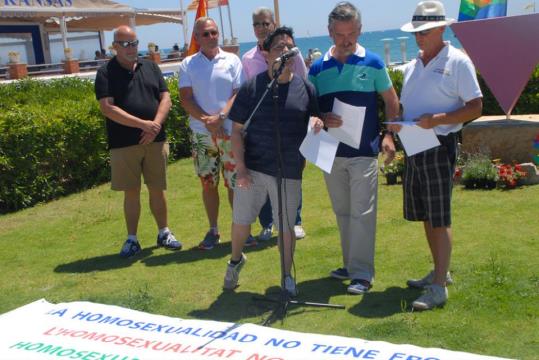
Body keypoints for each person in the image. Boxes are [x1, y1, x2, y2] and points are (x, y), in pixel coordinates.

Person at [390, 0, 483, 310]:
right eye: (417, 32)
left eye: (426, 31)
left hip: (440, 145)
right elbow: (408, 107)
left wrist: (438, 119)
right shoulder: (414, 65)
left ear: (442, 29)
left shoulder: (458, 61)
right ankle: (438, 271)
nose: (420, 37)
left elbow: (475, 106)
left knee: (438, 217)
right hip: (416, 145)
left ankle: (439, 285)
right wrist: (399, 126)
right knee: (426, 215)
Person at [223, 26, 323, 295]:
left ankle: (287, 276)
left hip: (289, 170)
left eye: (290, 46)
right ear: (266, 54)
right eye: (279, 47)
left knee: (286, 227)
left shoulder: (306, 88)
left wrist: (317, 123)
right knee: (242, 221)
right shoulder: (251, 88)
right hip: (253, 169)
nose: (286, 52)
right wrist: (241, 169)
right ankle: (234, 261)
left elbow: (314, 120)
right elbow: (235, 131)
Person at [308, 2, 400, 294]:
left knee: (362, 212)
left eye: (352, 34)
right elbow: (305, 108)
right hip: (329, 151)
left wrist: (389, 135)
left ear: (359, 30)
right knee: (343, 212)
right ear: (329, 32)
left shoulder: (373, 62)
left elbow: (392, 100)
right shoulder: (317, 67)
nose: (346, 40)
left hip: (363, 151)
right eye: (340, 34)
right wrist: (321, 117)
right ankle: (350, 265)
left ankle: (362, 274)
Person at [94, 25, 181, 258]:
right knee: (131, 192)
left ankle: (164, 232)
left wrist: (155, 125)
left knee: (157, 188)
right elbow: (108, 108)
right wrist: (144, 125)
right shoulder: (106, 72)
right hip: (124, 143)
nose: (131, 48)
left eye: (134, 43)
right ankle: (132, 240)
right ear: (115, 46)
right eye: (125, 44)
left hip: (155, 140)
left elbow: (165, 98)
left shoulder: (151, 66)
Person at [242, 6, 309, 242]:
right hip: (261, 130)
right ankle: (267, 223)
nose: (262, 28)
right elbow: (247, 92)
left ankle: (295, 220)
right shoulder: (248, 58)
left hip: (290, 124)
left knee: (291, 173)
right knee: (262, 174)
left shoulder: (293, 53)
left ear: (274, 24)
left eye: (266, 23)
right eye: (257, 24)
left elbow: (302, 81)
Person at [179, 17, 244, 250]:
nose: (211, 37)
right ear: (196, 38)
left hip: (229, 133)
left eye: (214, 32)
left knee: (235, 183)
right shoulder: (188, 64)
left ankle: (240, 229)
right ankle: (213, 230)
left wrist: (221, 117)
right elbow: (185, 98)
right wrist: (207, 120)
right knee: (208, 184)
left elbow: (238, 92)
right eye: (205, 34)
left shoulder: (232, 60)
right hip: (202, 134)